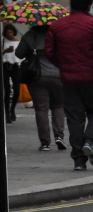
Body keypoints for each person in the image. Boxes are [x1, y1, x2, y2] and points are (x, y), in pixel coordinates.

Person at [45, 0, 93, 172]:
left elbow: (49, 51)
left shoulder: (57, 26)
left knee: (74, 117)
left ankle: (79, 161)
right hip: (92, 78)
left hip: (69, 80)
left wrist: (63, 65)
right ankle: (91, 141)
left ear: (71, 4)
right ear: (89, 6)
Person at [15, 23, 66, 152]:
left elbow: (19, 54)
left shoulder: (30, 36)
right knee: (58, 106)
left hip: (37, 76)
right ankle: (59, 136)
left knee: (41, 109)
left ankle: (45, 142)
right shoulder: (58, 35)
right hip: (58, 75)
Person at [2, 22, 20, 122]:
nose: (10, 34)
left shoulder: (18, 41)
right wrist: (5, 51)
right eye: (8, 32)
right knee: (7, 90)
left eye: (11, 32)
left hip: (15, 67)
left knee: (17, 90)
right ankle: (7, 113)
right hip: (5, 66)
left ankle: (12, 109)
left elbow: (22, 54)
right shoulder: (3, 41)